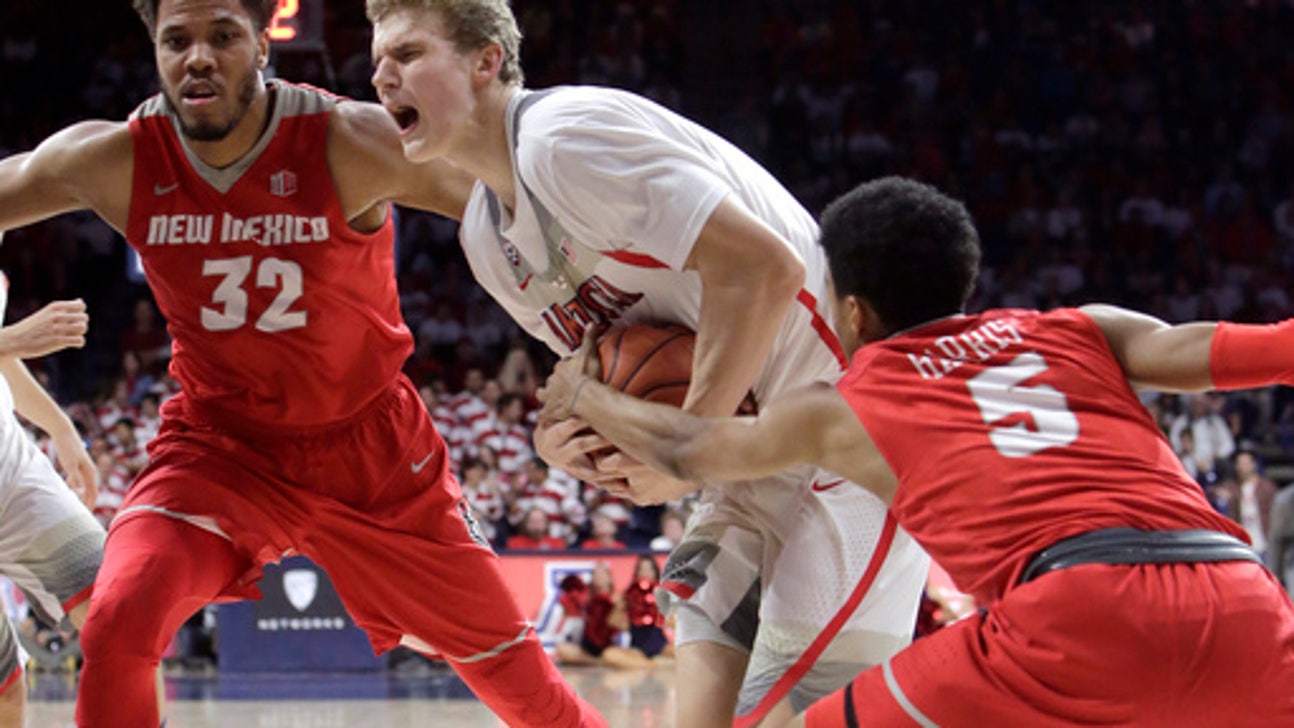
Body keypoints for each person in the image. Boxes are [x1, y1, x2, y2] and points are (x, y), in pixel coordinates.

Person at [0, 1, 604, 726]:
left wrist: (601, 341)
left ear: (263, 43)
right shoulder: (114, 159)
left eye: (223, 36)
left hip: (373, 453)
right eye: (177, 39)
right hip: (221, 449)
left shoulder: (349, 141)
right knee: (118, 616)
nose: (198, 56)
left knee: (526, 689)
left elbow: (522, 208)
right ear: (154, 49)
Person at [538, 176, 1294, 726]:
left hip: (1073, 611)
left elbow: (689, 449)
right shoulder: (1078, 328)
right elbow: (1231, 351)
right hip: (1245, 598)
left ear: (852, 311)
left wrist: (583, 393)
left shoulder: (849, 401)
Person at [367, 3, 930, 724]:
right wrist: (564, 443)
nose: (382, 77)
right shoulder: (486, 241)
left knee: (802, 715)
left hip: (841, 439)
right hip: (740, 459)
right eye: (378, 61)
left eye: (408, 53)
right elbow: (594, 379)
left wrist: (684, 454)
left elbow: (764, 267)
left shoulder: (563, 140)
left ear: (486, 61)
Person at [0, 287, 104, 727]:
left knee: (121, 611)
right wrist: (11, 339)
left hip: (11, 468)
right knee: (6, 691)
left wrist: (60, 428)